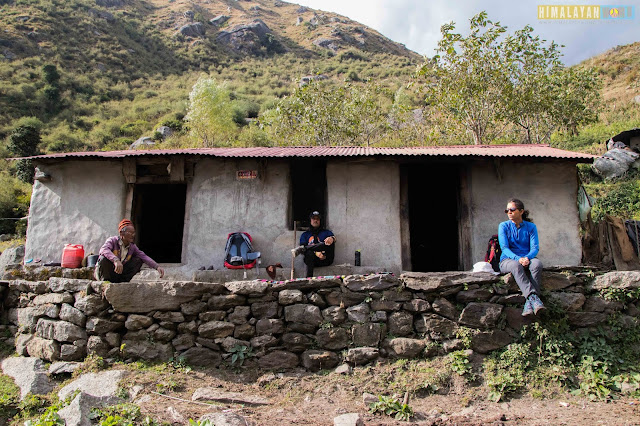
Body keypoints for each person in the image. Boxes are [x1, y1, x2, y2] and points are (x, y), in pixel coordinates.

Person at [498, 199, 545, 317]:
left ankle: (528, 304)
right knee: (516, 265)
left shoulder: (531, 227)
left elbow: (535, 248)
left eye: (512, 210)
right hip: (508, 260)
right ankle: (533, 298)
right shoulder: (503, 226)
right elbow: (504, 248)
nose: (509, 212)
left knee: (537, 264)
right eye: (507, 210)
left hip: (527, 258)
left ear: (521, 211)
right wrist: (518, 259)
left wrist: (527, 258)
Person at [95, 219, 165, 282]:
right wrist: (116, 260)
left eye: (133, 233)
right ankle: (105, 281)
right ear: (121, 233)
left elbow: (144, 256)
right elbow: (104, 250)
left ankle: (123, 281)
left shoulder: (132, 247)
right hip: (108, 273)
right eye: (130, 233)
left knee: (138, 260)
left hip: (118, 274)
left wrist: (157, 266)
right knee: (103, 258)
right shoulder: (112, 240)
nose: (132, 235)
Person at [292, 211, 336, 278]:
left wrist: (332, 238)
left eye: (317, 219)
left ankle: (305, 248)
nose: (316, 220)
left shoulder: (327, 232)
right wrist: (316, 253)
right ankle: (309, 279)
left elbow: (333, 240)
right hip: (312, 260)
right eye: (313, 218)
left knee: (328, 243)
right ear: (310, 220)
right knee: (307, 251)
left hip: (325, 259)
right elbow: (303, 248)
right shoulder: (305, 235)